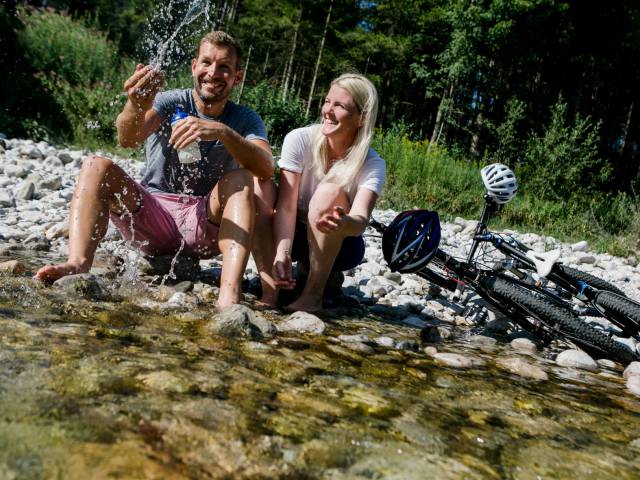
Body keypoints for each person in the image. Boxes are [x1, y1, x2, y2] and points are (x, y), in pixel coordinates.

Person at [35, 31, 278, 309]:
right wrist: (135, 106)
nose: (213, 72)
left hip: (204, 224)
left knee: (243, 178)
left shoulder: (245, 118)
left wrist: (222, 132)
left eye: (224, 67)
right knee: (95, 165)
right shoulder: (170, 101)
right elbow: (127, 138)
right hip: (151, 217)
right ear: (193, 67)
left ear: (238, 76)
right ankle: (77, 264)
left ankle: (228, 296)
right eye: (206, 63)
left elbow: (266, 167)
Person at [272, 73, 385, 313]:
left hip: (341, 245)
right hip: (290, 233)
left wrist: (344, 222)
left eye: (340, 105)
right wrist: (282, 252)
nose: (328, 111)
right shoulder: (299, 139)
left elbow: (360, 221)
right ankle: (270, 289)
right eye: (327, 101)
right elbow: (285, 206)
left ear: (361, 118)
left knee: (329, 193)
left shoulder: (372, 163)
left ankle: (313, 295)